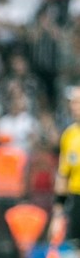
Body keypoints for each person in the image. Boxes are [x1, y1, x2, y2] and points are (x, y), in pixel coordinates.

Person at [50, 86, 80, 244]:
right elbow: (63, 175)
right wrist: (57, 215)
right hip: (76, 199)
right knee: (76, 247)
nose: (74, 106)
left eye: (77, 102)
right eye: (72, 103)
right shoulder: (69, 136)